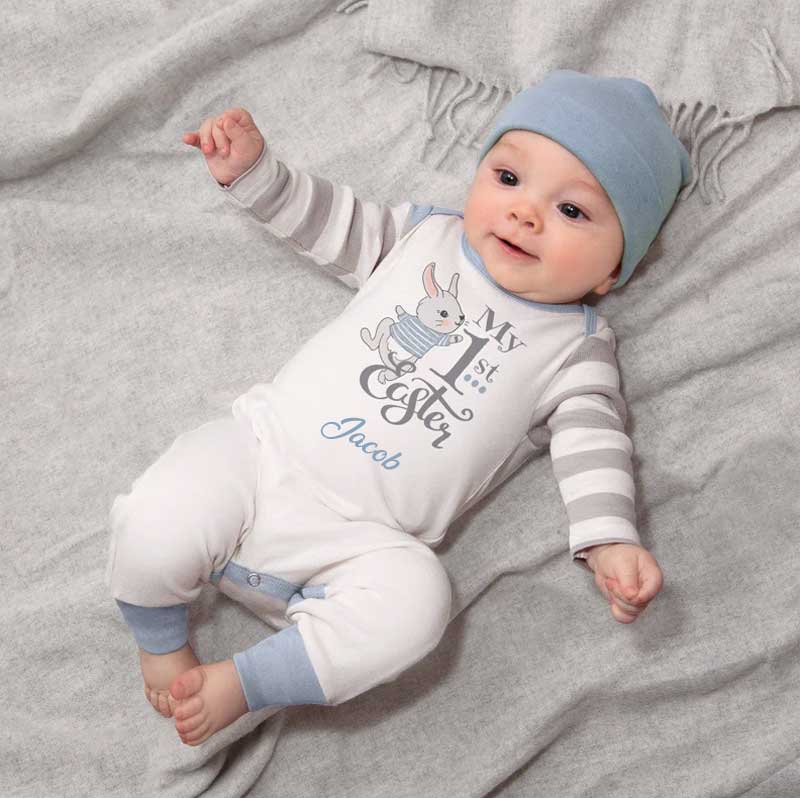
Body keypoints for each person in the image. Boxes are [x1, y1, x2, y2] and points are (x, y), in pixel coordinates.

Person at [106, 70, 689, 746]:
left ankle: (245, 682)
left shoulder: (575, 348)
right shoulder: (424, 238)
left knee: (420, 604)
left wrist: (611, 537)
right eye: (508, 178)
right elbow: (330, 220)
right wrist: (257, 174)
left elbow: (593, 442)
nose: (526, 214)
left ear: (612, 271)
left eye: (573, 212)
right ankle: (159, 638)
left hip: (362, 544)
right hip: (263, 457)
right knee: (162, 509)